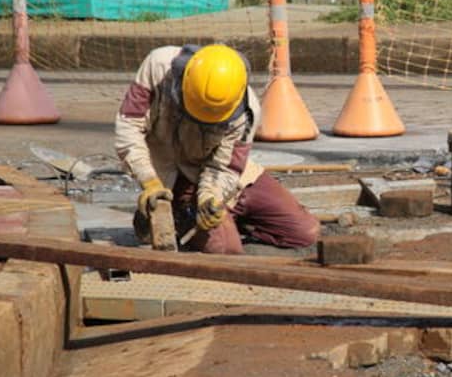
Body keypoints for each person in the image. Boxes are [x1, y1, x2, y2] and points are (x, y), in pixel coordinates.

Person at [115, 44, 320, 254]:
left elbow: (225, 167)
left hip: (221, 176)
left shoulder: (247, 112)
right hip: (174, 178)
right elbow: (129, 127)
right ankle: (177, 218)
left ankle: (228, 218)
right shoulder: (158, 67)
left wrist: (210, 197)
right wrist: (149, 180)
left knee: (305, 232)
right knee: (227, 252)